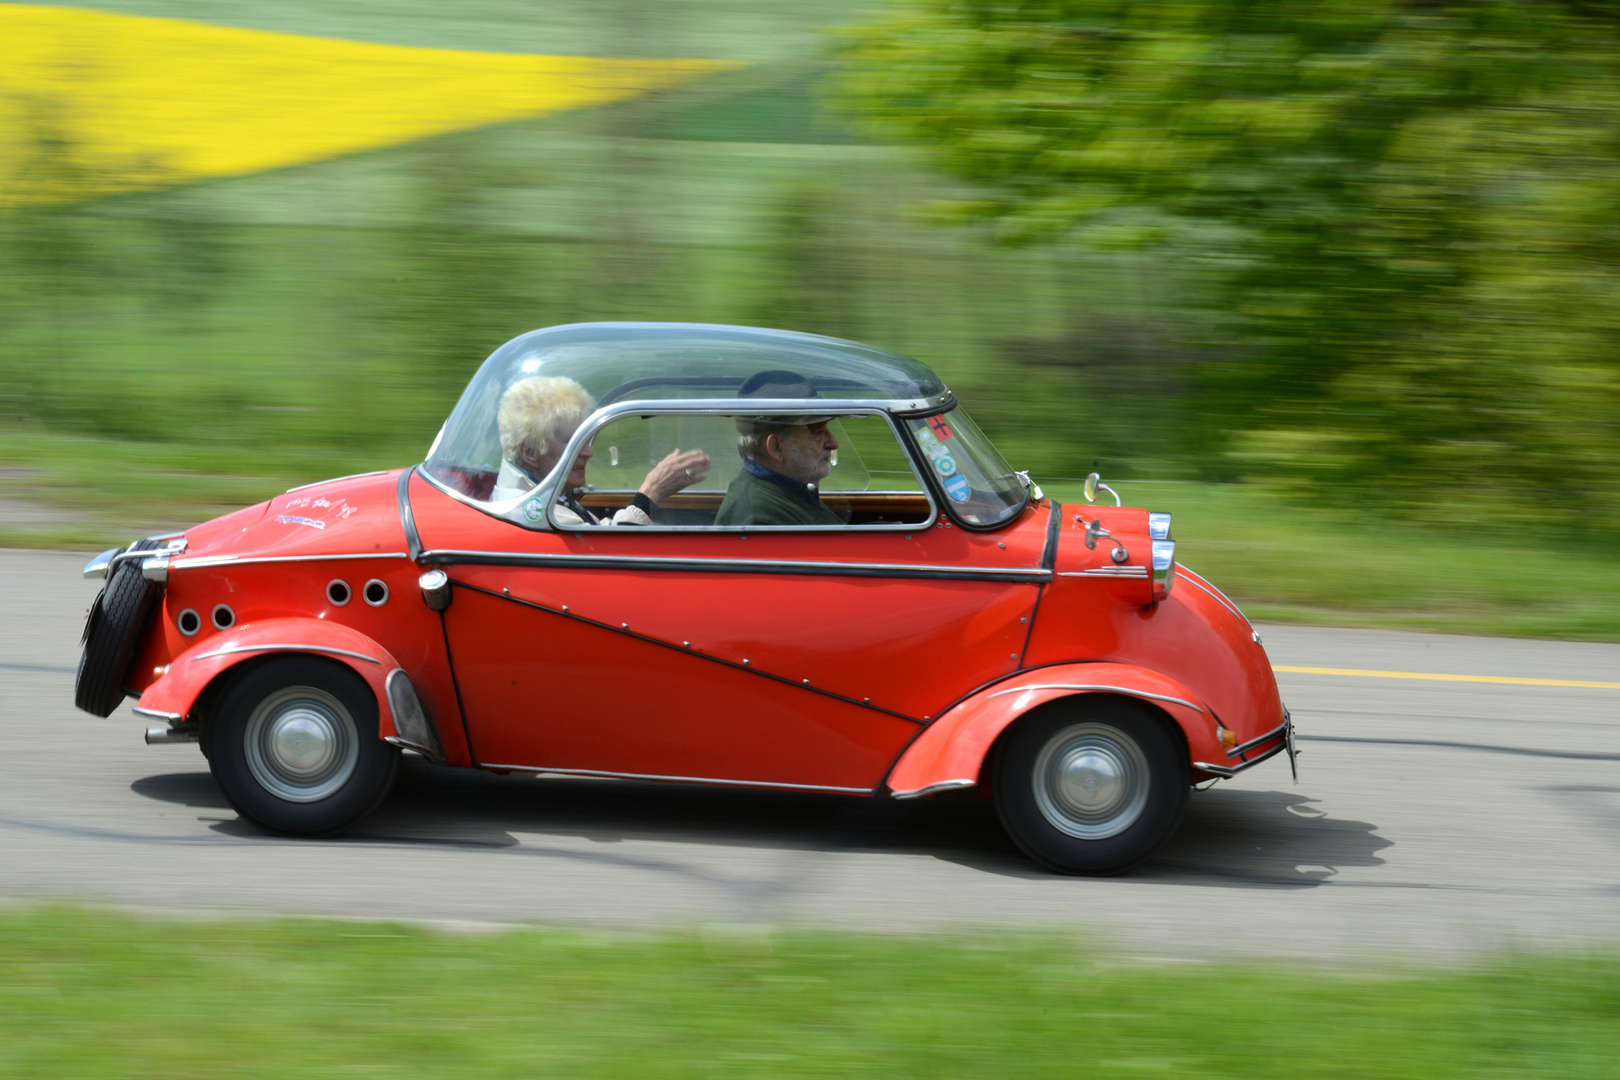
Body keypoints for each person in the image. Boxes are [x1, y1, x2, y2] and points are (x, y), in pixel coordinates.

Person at [491, 375, 710, 526]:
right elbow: (609, 554)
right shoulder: (532, 512)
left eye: (585, 439)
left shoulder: (552, 498)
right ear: (530, 452)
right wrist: (650, 493)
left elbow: (593, 531)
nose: (588, 452)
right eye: (574, 441)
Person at [714, 370, 844, 527]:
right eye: (817, 433)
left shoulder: (790, 489)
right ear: (776, 447)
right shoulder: (760, 518)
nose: (833, 443)